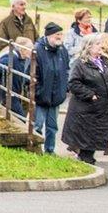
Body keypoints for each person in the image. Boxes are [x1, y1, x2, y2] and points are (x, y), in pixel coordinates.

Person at [61, 33, 108, 164]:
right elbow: (73, 83)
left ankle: (88, 158)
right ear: (88, 47)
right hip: (86, 109)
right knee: (86, 137)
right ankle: (85, 159)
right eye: (97, 44)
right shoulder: (80, 63)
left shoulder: (104, 61)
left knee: (96, 136)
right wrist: (90, 95)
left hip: (102, 108)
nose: (100, 46)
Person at [33, 23, 70, 154]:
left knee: (52, 126)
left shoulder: (62, 50)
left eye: (61, 34)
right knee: (37, 125)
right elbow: (32, 73)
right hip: (41, 95)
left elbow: (67, 70)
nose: (60, 37)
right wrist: (37, 91)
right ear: (48, 36)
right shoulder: (38, 50)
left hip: (56, 96)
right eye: (57, 35)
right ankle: (35, 150)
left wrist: (64, 88)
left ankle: (50, 150)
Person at [0, 36, 33, 116]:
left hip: (14, 93)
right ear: (23, 49)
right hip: (6, 94)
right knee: (20, 117)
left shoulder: (22, 59)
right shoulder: (12, 57)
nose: (33, 51)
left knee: (20, 116)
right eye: (30, 48)